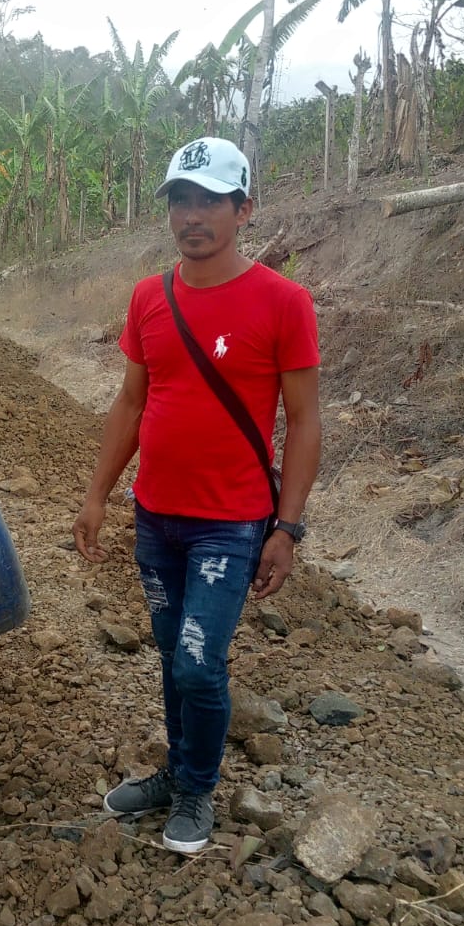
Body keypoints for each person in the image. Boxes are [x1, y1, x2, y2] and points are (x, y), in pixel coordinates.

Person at [72, 137, 321, 855]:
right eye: (181, 199)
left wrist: (287, 529)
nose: (192, 215)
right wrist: (97, 495)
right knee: (168, 650)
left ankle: (195, 791)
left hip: (230, 524)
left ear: (244, 209)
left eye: (210, 200)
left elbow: (305, 421)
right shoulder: (150, 297)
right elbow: (130, 403)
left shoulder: (284, 301)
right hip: (157, 517)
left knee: (196, 662)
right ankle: (177, 772)